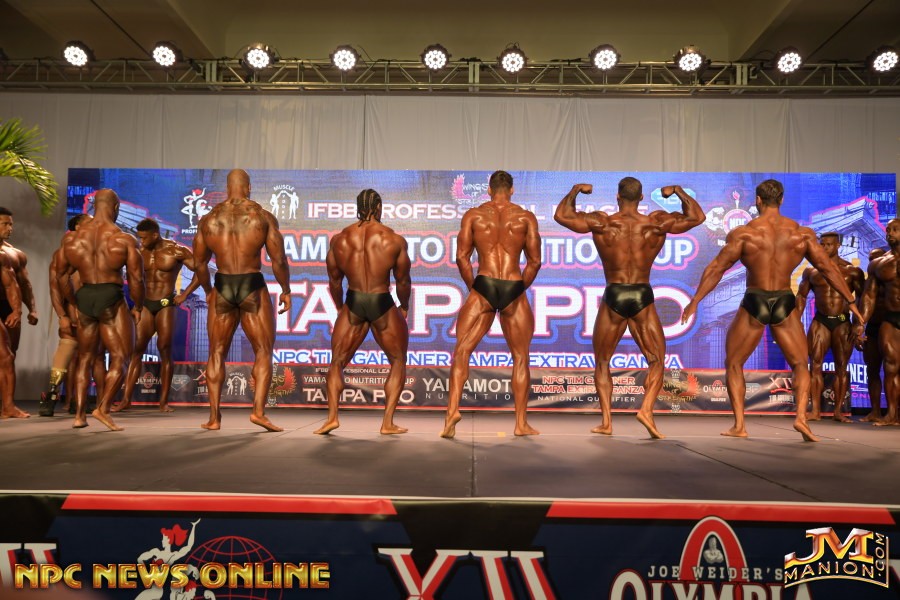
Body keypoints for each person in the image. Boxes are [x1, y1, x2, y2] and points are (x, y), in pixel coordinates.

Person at [682, 180, 863, 442]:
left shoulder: (744, 234)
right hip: (784, 301)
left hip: (755, 299)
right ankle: (801, 418)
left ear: (758, 200)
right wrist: (850, 300)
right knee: (800, 363)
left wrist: (696, 300)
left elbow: (716, 268)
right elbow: (828, 268)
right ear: (782, 199)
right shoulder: (801, 234)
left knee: (734, 362)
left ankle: (740, 425)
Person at [555, 180, 706, 439]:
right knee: (656, 360)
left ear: (617, 197)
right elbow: (697, 217)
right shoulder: (656, 223)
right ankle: (646, 410)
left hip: (614, 292)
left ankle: (606, 421)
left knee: (603, 361)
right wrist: (678, 191)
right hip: (641, 294)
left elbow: (562, 215)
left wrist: (575, 190)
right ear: (642, 197)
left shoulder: (603, 222)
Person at [441, 170, 541, 439]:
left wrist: (475, 287)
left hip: (484, 284)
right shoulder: (525, 218)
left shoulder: (473, 215)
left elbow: (462, 258)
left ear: (488, 190)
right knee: (520, 358)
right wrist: (518, 289)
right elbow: (535, 262)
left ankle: (452, 413)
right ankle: (520, 424)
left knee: (462, 350)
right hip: (513, 284)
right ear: (512, 190)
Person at [192, 169, 290, 432]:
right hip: (251, 285)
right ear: (248, 187)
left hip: (223, 284)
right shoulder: (261, 216)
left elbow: (199, 264)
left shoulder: (209, 220)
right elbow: (279, 259)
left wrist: (209, 290)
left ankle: (214, 418)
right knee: (263, 350)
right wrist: (286, 289)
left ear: (228, 188)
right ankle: (258, 412)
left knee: (216, 352)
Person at [314, 189, 411, 435]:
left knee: (337, 361)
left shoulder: (340, 240)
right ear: (378, 207)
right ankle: (387, 423)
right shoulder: (393, 239)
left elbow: (335, 281)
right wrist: (404, 306)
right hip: (381, 301)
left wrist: (340, 307)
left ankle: (332, 418)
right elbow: (402, 281)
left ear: (358, 207)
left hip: (354, 301)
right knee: (398, 360)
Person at [56, 189, 145, 430]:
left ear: (94, 206)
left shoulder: (72, 240)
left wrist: (73, 301)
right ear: (116, 208)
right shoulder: (123, 239)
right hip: (110, 296)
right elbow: (137, 279)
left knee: (85, 358)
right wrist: (138, 306)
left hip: (85, 296)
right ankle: (103, 408)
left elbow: (61, 276)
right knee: (121, 357)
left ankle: (79, 416)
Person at [116, 218, 200, 413]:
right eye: (140, 238)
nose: (142, 241)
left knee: (164, 348)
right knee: (136, 350)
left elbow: (200, 271)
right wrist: (136, 304)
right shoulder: (139, 251)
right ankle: (126, 400)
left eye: (145, 238)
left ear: (155, 235)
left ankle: (163, 402)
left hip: (166, 303)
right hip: (145, 304)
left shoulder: (176, 250)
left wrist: (184, 295)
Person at [41, 214, 107, 417]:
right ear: (78, 227)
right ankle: (53, 397)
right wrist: (62, 316)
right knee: (68, 348)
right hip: (72, 309)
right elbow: (55, 287)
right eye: (90, 221)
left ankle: (97, 403)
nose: (95, 224)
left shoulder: (97, 251)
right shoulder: (64, 252)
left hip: (95, 310)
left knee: (95, 356)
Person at [795, 233, 864, 422]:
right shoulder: (811, 271)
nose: (824, 248)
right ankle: (815, 410)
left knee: (841, 367)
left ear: (838, 245)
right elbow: (801, 296)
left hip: (843, 322)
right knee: (815, 365)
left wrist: (858, 324)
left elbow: (862, 298)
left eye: (828, 245)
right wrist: (796, 320)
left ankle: (838, 411)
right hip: (821, 321)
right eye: (822, 244)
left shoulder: (852, 271)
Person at [859, 219, 900, 426]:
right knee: (890, 365)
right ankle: (891, 414)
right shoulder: (879, 264)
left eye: (895, 229)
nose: (890, 233)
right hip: (891, 318)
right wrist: (861, 323)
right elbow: (869, 296)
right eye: (888, 230)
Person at [0, 207, 38, 354]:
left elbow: (24, 284)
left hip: (8, 306)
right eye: (5, 224)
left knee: (11, 351)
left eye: (11, 224)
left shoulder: (15, 254)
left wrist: (32, 310)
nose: (10, 229)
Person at [860, 248, 887, 422]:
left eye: (877, 258)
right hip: (873, 328)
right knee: (872, 370)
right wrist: (859, 329)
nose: (873, 262)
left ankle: (893, 412)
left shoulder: (892, 281)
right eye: (871, 259)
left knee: (893, 370)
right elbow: (859, 305)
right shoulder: (866, 283)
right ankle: (875, 411)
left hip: (892, 327)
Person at [0, 249, 24, 418]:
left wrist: (17, 310)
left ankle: (8, 406)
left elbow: (10, 284)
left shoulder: (2, 257)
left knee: (7, 357)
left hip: (3, 305)